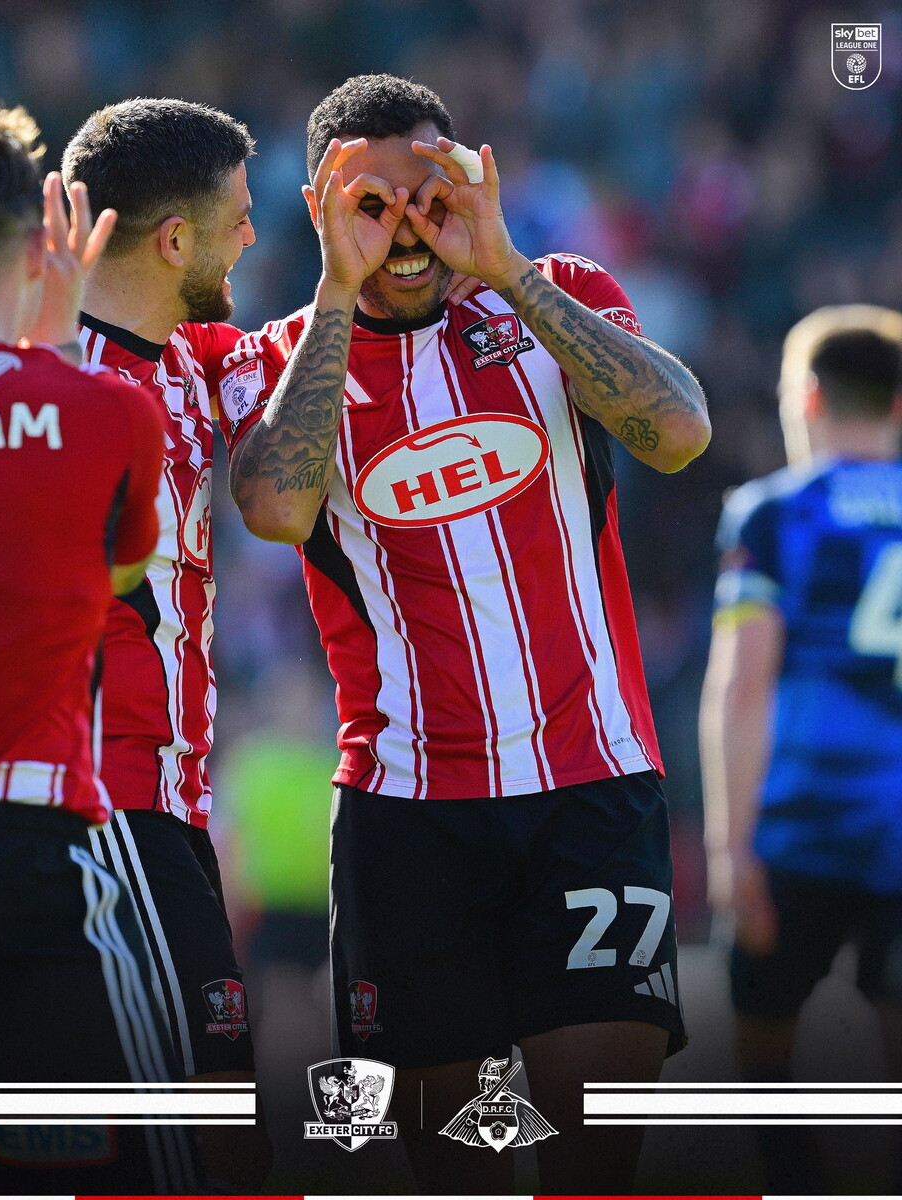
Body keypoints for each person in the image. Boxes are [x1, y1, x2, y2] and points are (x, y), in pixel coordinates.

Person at [219, 73, 711, 1194]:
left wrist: (508, 268)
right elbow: (277, 512)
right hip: (406, 813)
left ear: (473, 180)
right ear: (320, 207)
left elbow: (680, 434)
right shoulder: (283, 358)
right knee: (449, 1166)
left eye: (431, 192)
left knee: (590, 1156)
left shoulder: (558, 295)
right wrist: (339, 292)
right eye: (372, 203)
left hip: (591, 786)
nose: (408, 227)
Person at [0, 100, 203, 1194]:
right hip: (40, 851)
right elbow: (110, 583)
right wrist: (49, 349)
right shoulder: (109, 413)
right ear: (44, 245)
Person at [60, 98, 269, 1191]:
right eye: (238, 216)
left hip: (169, 816)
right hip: (102, 818)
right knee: (198, 1150)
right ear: (174, 239)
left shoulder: (197, 361)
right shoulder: (46, 379)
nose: (252, 236)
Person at [700, 304, 902, 1193]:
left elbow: (744, 684)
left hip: (801, 821)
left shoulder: (773, 512)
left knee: (761, 1038)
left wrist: (728, 844)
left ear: (808, 398)